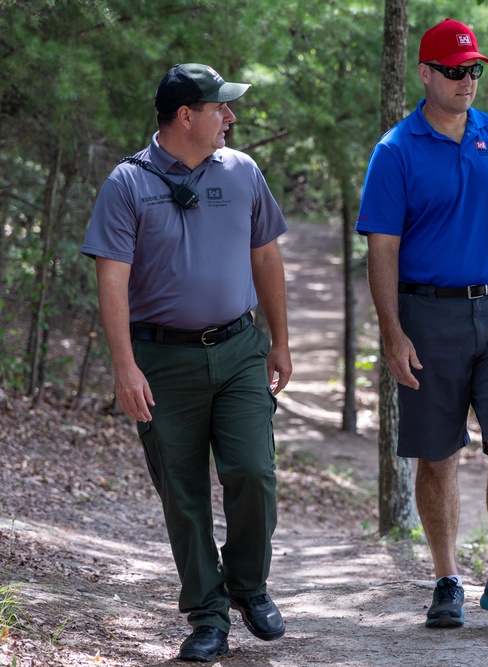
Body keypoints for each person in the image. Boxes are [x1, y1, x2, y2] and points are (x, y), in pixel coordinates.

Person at [356, 18, 488, 628]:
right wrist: (393, 330)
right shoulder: (395, 151)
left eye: (474, 69)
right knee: (438, 456)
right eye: (454, 71)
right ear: (426, 73)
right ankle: (447, 580)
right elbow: (383, 249)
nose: (467, 80)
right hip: (427, 313)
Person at [81, 63, 291, 662]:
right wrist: (124, 366)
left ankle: (248, 587)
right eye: (219, 108)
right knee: (183, 492)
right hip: (161, 361)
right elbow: (112, 279)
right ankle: (207, 614)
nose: (230, 117)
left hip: (239, 350)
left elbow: (267, 259)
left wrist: (280, 339)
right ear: (185, 116)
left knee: (252, 470)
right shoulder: (127, 184)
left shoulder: (244, 171)